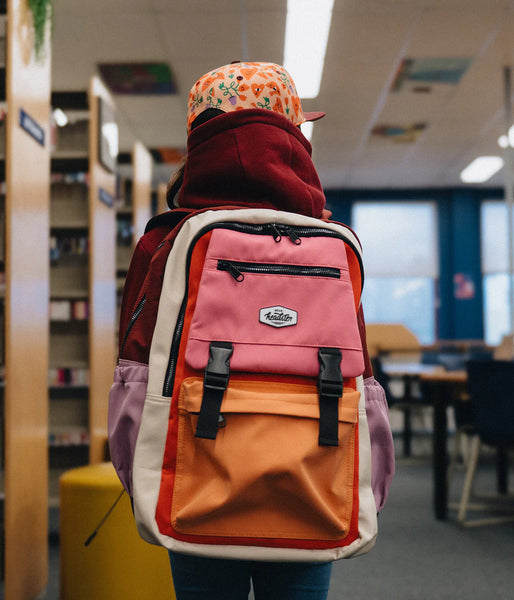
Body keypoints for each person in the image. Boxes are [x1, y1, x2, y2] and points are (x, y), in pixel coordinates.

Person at [119, 61, 393, 600]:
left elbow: (134, 369)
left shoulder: (164, 242)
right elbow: (362, 376)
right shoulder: (334, 241)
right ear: (293, 136)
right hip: (314, 479)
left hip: (197, 479)